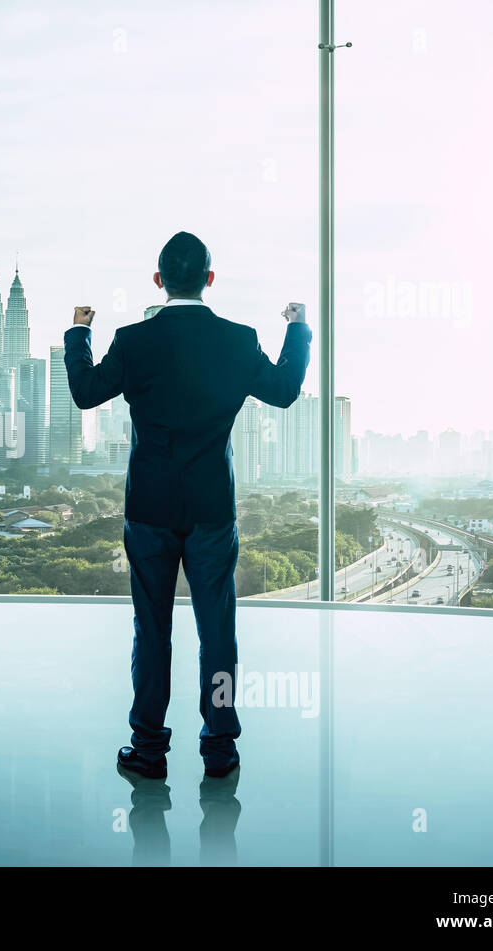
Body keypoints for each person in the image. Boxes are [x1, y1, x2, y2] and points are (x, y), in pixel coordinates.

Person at [63, 231, 311, 779]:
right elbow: (286, 389)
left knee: (151, 630)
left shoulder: (133, 341)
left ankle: (148, 749)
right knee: (217, 631)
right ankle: (220, 748)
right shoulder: (238, 339)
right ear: (210, 280)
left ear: (158, 281)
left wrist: (79, 331)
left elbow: (85, 392)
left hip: (149, 510)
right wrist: (297, 327)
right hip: (211, 512)